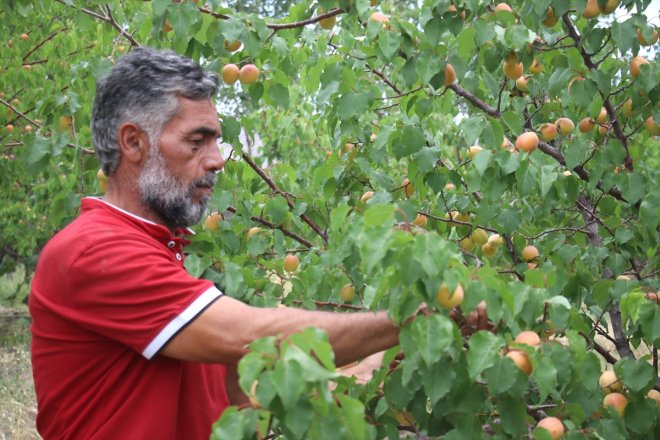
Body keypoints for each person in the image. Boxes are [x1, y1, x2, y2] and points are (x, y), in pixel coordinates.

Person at [29, 47, 399, 439]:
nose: (217, 160)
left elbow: (244, 402)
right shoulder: (93, 251)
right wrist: (403, 321)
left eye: (215, 141)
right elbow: (253, 337)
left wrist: (375, 364)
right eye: (196, 141)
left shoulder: (168, 255)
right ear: (134, 143)